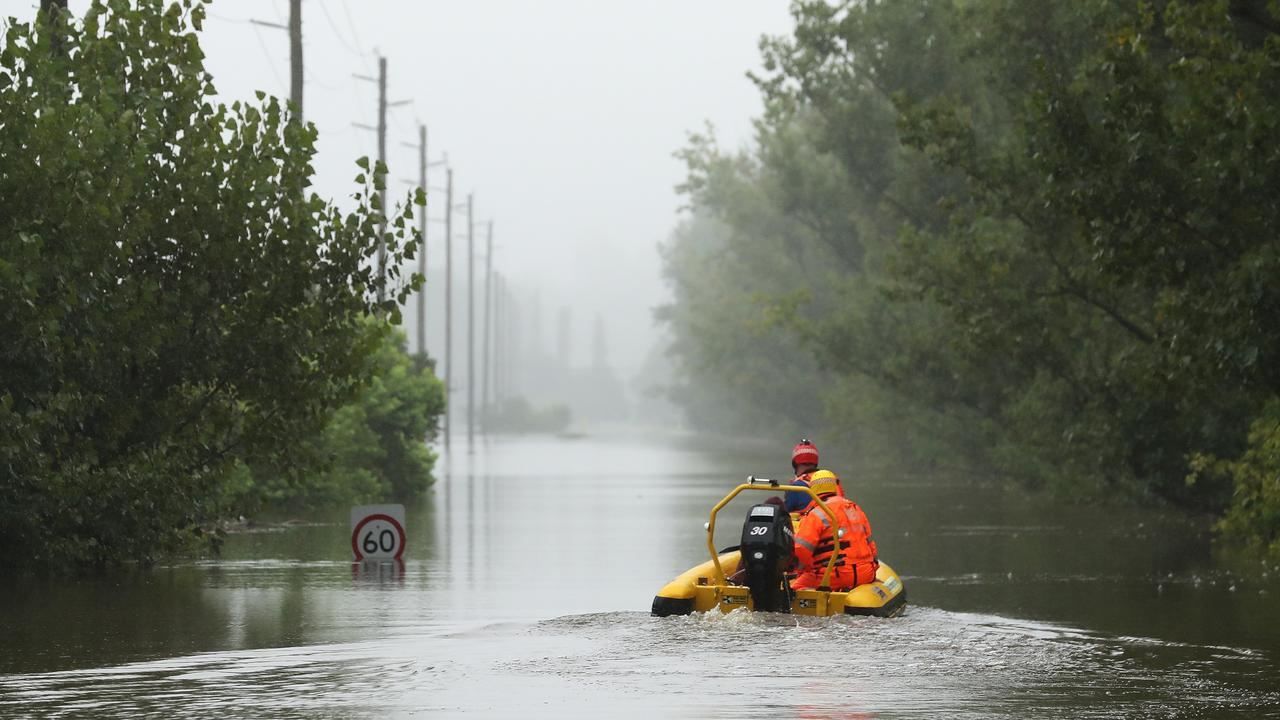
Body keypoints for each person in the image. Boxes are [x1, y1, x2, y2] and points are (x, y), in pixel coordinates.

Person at [790, 469, 878, 592]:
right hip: (865, 574)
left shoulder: (816, 513)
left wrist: (798, 570)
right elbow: (871, 546)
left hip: (834, 576)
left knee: (792, 590)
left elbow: (801, 550)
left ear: (813, 489)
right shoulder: (854, 508)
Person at [784, 439, 821, 513]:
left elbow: (785, 512)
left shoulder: (796, 487)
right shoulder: (833, 480)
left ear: (794, 463)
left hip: (808, 523)